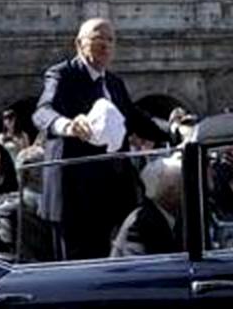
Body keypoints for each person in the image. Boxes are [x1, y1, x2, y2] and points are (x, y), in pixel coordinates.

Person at [33, 18, 169, 260]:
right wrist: (68, 125)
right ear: (79, 44)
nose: (106, 45)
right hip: (76, 195)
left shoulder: (115, 83)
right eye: (98, 39)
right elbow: (42, 112)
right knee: (80, 270)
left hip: (115, 192)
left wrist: (176, 130)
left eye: (110, 40)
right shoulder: (63, 74)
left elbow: (137, 120)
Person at [111, 156, 184, 257]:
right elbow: (136, 265)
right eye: (177, 187)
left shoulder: (171, 215)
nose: (182, 193)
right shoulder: (140, 222)